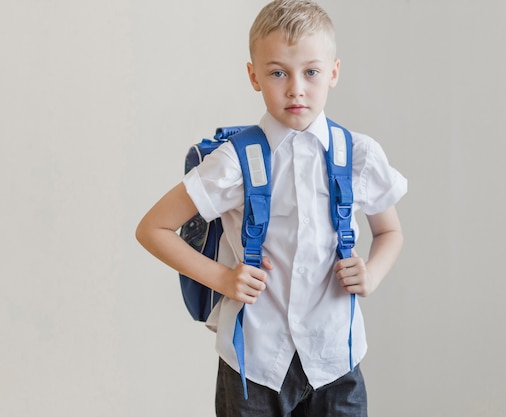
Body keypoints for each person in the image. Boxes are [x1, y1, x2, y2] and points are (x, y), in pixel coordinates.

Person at [136, 0, 407, 415]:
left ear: (333, 72)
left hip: (335, 357)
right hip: (253, 365)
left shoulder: (357, 155)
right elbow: (152, 228)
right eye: (278, 72)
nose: (296, 88)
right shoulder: (234, 162)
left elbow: (390, 232)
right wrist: (223, 279)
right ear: (253, 76)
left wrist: (372, 272)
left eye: (311, 72)